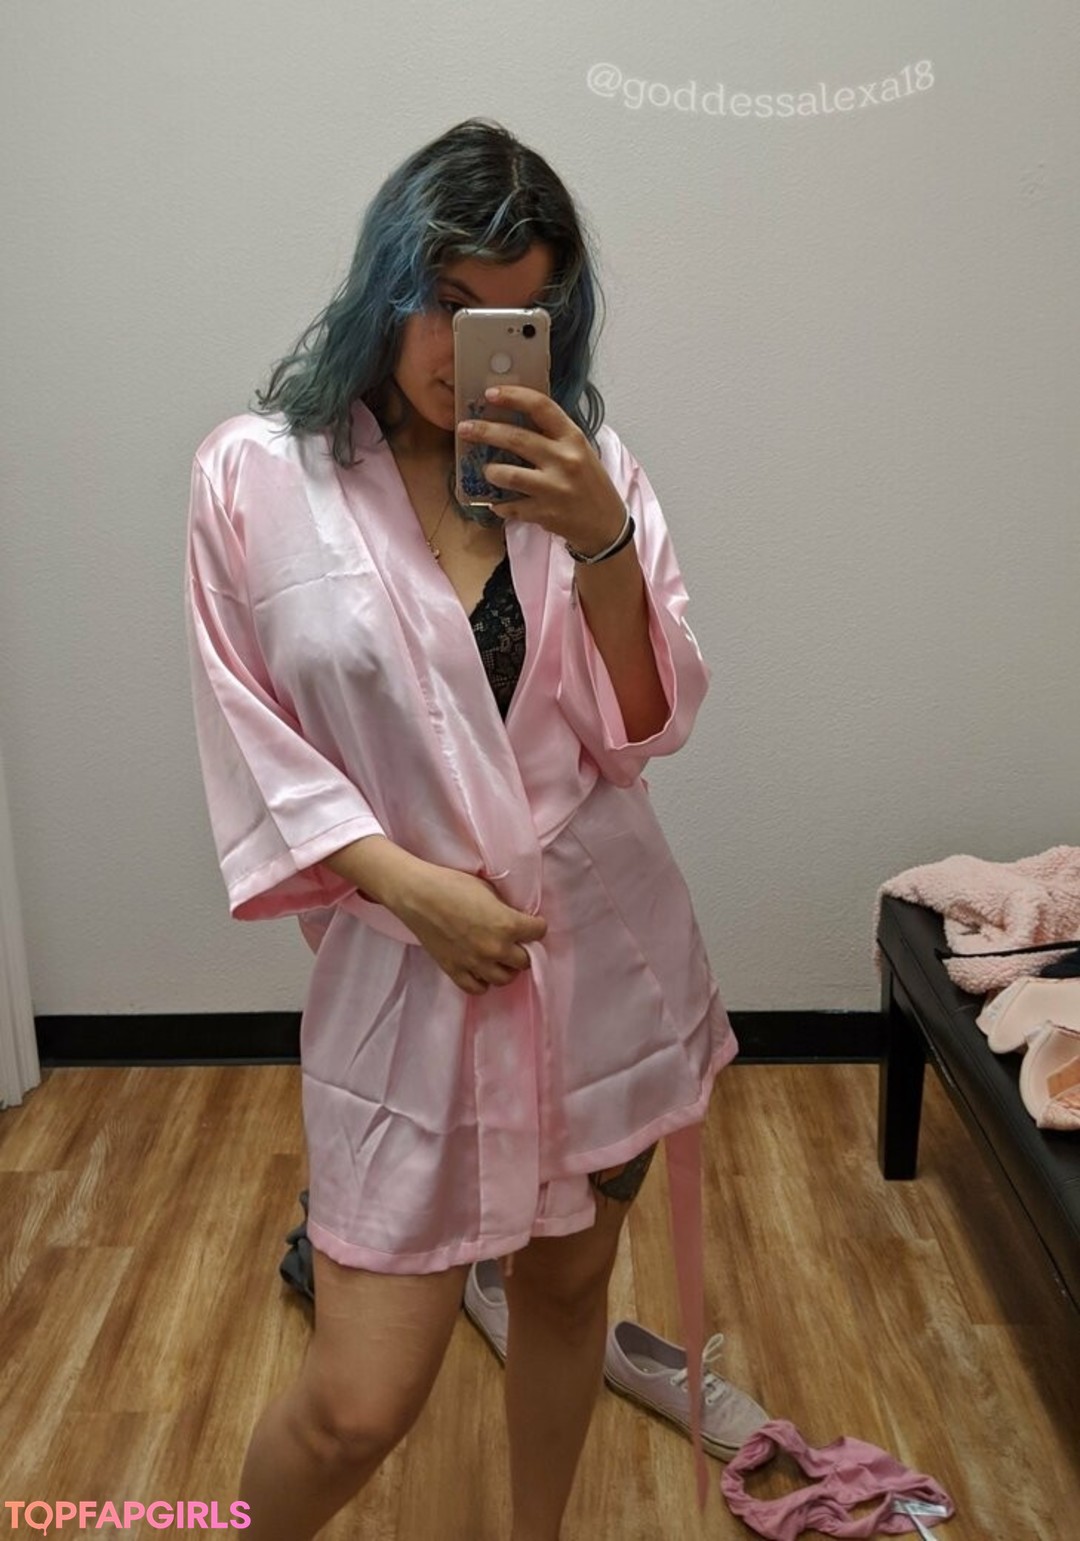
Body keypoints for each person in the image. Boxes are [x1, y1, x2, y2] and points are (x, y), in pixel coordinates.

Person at [183, 117, 739, 1541]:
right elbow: (254, 732)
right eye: (442, 300)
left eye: (513, 313)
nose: (462, 345)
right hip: (409, 980)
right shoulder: (256, 479)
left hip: (598, 964)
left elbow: (643, 726)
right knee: (357, 1402)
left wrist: (604, 538)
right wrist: (410, 890)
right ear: (384, 281)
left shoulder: (589, 472)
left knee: (565, 1289)